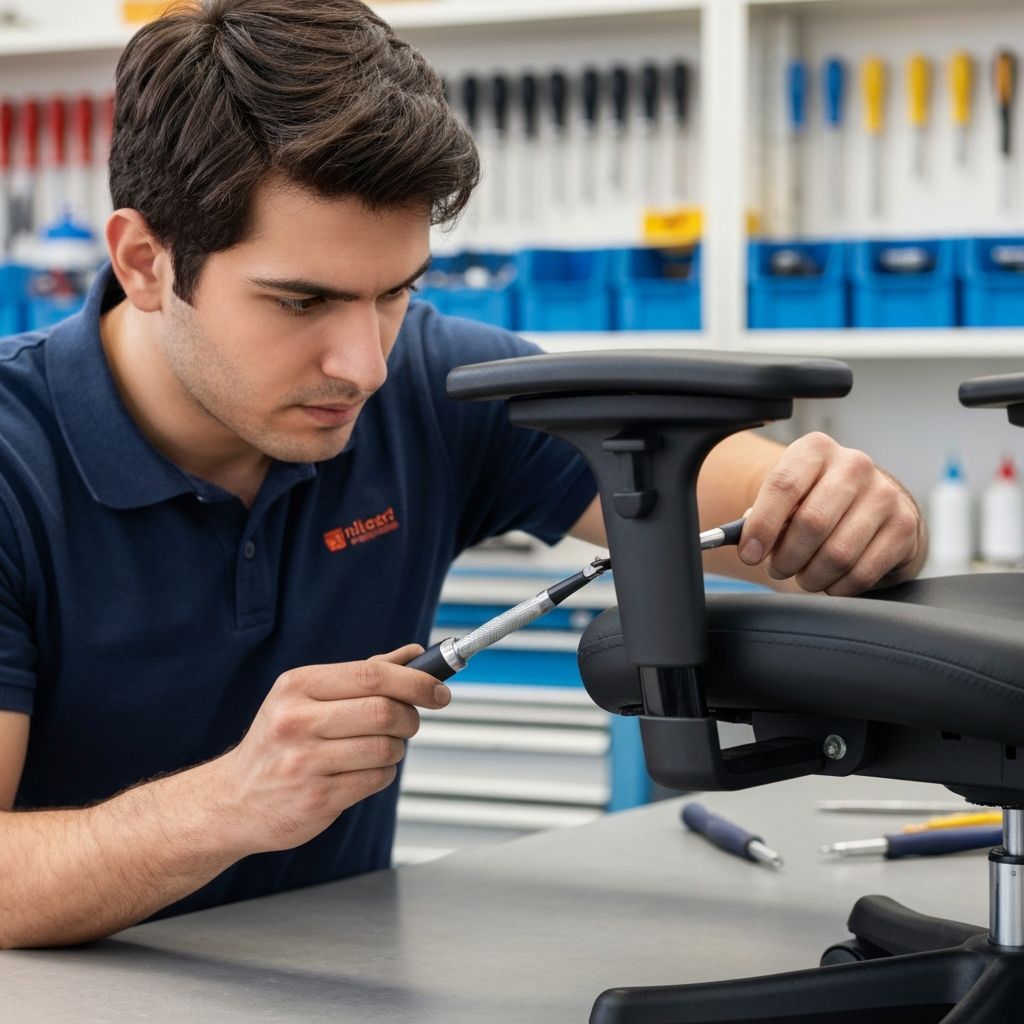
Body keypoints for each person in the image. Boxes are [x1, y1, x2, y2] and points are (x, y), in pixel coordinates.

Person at [0, 0, 926, 949]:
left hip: (327, 988)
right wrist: (228, 804)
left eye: (396, 290)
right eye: (303, 300)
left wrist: (859, 511)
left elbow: (761, 512)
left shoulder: (429, 385)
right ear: (145, 262)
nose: (363, 365)